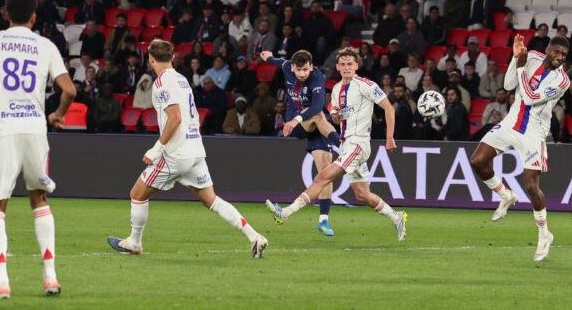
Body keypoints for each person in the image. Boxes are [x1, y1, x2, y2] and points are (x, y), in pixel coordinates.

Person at [107, 39, 268, 258]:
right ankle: (255, 236)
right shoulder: (182, 79)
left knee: (137, 193)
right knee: (210, 199)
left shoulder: (162, 82)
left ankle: (134, 242)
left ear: (150, 59)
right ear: (172, 57)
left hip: (176, 153)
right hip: (195, 149)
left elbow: (175, 118)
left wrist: (157, 148)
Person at [0, 0, 76, 298]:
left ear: (5, 14)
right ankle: (50, 277)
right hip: (35, 132)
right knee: (39, 200)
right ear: (34, 17)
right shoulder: (46, 45)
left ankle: (2, 282)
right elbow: (69, 90)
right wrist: (59, 115)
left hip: (4, 133)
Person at [267, 47, 407, 242]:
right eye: (343, 64)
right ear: (338, 67)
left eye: (350, 64)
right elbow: (337, 120)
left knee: (321, 178)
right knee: (362, 195)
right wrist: (336, 116)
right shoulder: (336, 89)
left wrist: (390, 137)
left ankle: (287, 212)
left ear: (356, 66)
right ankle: (397, 217)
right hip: (347, 143)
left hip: (357, 145)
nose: (347, 67)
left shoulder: (366, 85)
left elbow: (388, 108)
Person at [469, 34, 571, 262]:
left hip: (534, 132)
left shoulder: (562, 81)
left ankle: (545, 234)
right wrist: (516, 59)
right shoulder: (532, 57)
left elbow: (532, 97)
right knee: (477, 161)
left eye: (564, 55)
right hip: (511, 122)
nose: (560, 58)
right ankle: (505, 195)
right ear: (547, 49)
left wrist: (521, 66)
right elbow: (508, 85)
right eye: (556, 52)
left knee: (531, 186)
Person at [259, 49, 341, 235]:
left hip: (313, 122)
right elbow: (277, 61)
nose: (302, 74)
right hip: (295, 122)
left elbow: (316, 106)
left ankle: (323, 220)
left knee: (326, 171)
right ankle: (344, 147)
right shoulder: (287, 66)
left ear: (311, 67)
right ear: (293, 68)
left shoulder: (317, 77)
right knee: (320, 116)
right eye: (298, 70)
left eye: (305, 69)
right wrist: (268, 57)